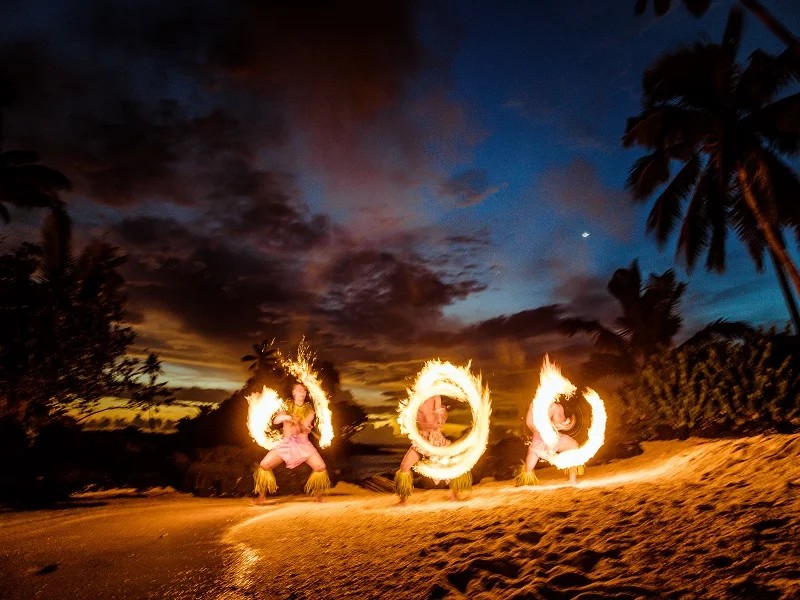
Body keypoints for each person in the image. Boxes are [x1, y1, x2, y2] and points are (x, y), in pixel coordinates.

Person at [253, 382, 330, 503]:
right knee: (264, 465)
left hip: (303, 444)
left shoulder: (309, 409)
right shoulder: (287, 405)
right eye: (299, 390)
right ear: (293, 392)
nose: (302, 393)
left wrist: (299, 424)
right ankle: (261, 498)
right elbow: (276, 420)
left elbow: (301, 429)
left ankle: (318, 496)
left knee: (320, 467)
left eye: (304, 391)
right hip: (286, 444)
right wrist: (288, 418)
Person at [394, 395, 472, 504]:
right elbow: (411, 418)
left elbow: (439, 422)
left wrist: (436, 421)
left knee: (454, 463)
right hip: (421, 440)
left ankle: (455, 495)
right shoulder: (415, 398)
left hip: (435, 440)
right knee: (404, 466)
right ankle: (403, 500)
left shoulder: (435, 398)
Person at [516, 397, 582, 486]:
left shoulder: (557, 407)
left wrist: (567, 425)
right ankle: (524, 483)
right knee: (528, 469)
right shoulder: (536, 404)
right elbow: (529, 423)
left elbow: (558, 424)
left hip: (554, 440)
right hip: (539, 442)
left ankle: (572, 480)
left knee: (573, 446)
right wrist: (543, 431)